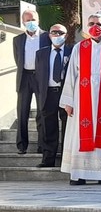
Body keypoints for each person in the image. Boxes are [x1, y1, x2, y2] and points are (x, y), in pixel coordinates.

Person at [60, 14, 101, 185]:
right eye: (91, 23)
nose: (95, 26)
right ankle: (79, 174)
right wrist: (68, 101)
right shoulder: (78, 47)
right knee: (81, 134)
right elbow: (71, 75)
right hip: (82, 99)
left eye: (99, 24)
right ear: (86, 27)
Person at [35, 24, 73, 167]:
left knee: (67, 126)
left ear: (66, 35)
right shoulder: (41, 53)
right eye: (54, 32)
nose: (57, 35)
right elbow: (39, 75)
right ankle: (48, 159)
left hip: (65, 93)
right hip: (48, 93)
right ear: (49, 35)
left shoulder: (72, 51)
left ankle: (66, 159)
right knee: (48, 126)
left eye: (60, 32)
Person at [13, 9, 50, 155]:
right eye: (28, 20)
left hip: (41, 78)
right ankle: (22, 145)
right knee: (22, 111)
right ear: (23, 22)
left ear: (38, 20)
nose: (31, 22)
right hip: (24, 78)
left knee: (42, 111)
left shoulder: (46, 37)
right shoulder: (18, 39)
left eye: (33, 19)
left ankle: (42, 145)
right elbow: (18, 59)